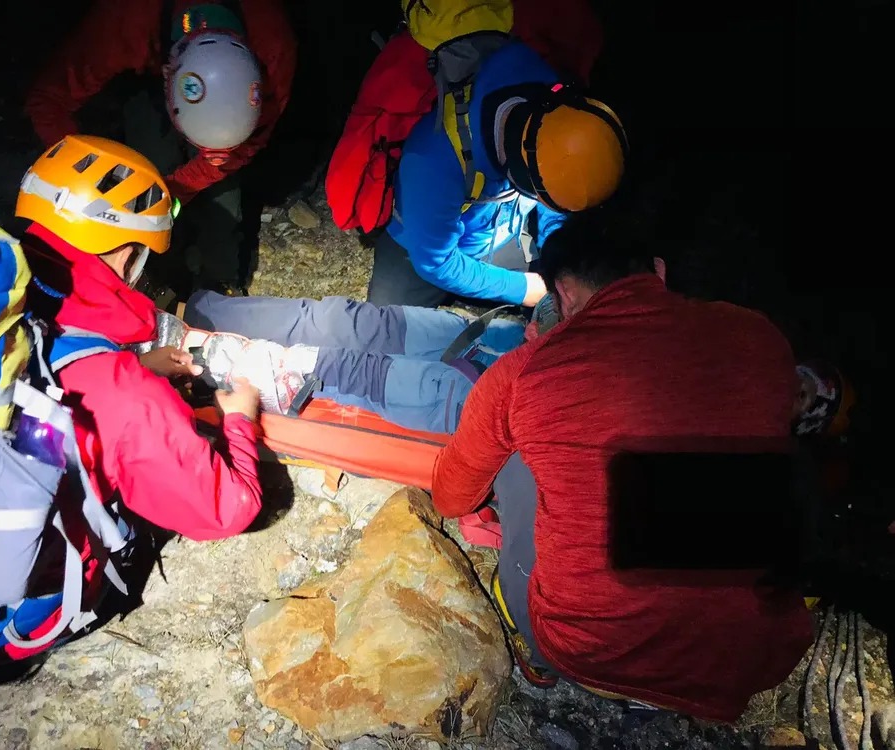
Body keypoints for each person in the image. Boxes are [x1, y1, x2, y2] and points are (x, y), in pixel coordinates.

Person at [430, 208, 815, 722]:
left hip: (587, 650)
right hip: (749, 660)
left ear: (562, 295)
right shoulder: (758, 336)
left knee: (524, 450)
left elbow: (452, 496)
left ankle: (541, 659)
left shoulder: (527, 372)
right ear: (657, 271)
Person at [16, 134, 264, 541]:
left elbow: (57, 373)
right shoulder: (133, 398)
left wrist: (134, 365)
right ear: (124, 253)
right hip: (39, 578)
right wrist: (239, 418)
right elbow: (227, 509)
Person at [25, 0, 297, 300]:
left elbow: (243, 148)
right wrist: (93, 177)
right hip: (149, 69)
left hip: (221, 67)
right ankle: (154, 277)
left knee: (223, 192)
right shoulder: (125, 22)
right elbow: (47, 101)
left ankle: (219, 285)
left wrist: (179, 188)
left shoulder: (274, 55)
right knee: (148, 167)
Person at [366, 37, 627, 310]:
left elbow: (559, 196)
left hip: (499, 234)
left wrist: (560, 264)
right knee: (385, 321)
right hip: (422, 246)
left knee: (568, 285)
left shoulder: (557, 110)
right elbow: (436, 262)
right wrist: (523, 289)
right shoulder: (433, 161)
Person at [176, 289, 527, 435]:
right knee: (345, 324)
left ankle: (194, 365)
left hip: (510, 409)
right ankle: (191, 319)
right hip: (521, 351)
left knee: (342, 371)